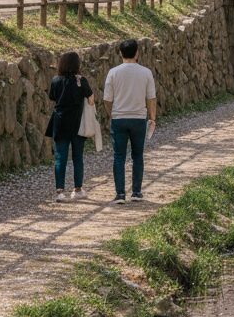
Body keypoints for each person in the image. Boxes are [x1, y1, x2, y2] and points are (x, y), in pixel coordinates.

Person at [103, 39, 157, 204]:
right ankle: (136, 192)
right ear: (137, 53)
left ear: (120, 53)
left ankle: (120, 194)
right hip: (138, 118)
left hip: (119, 118)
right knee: (137, 155)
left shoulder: (113, 72)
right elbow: (151, 98)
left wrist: (111, 114)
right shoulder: (146, 72)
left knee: (119, 156)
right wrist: (152, 117)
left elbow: (107, 99)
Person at [46, 52, 95, 202]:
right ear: (77, 65)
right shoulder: (81, 81)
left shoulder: (56, 80)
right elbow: (91, 100)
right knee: (77, 157)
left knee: (60, 157)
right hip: (77, 123)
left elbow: (52, 97)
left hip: (60, 122)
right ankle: (77, 189)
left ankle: (60, 192)